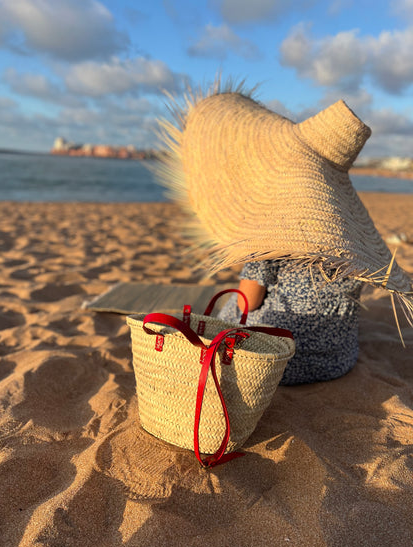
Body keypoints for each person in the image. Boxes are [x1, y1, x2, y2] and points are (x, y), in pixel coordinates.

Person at [158, 80, 413, 384]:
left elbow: (247, 303)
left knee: (230, 309)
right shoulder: (347, 239)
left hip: (279, 362)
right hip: (338, 359)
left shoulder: (276, 232)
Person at [218, 259, 363, 385]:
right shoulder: (357, 246)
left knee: (237, 301)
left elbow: (247, 304)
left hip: (275, 364)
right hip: (337, 360)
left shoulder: (271, 243)